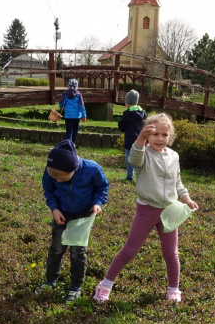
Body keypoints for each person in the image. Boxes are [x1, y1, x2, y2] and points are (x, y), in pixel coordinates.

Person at [94, 113, 199, 303]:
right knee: (130, 250)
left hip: (170, 211)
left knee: (171, 253)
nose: (160, 139)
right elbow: (133, 161)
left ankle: (173, 289)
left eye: (164, 135)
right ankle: (105, 285)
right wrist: (140, 139)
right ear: (148, 135)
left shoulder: (174, 156)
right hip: (147, 210)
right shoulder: (143, 153)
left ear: (170, 136)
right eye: (155, 134)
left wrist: (187, 199)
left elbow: (178, 183)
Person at [36, 139, 109, 303]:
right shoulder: (52, 172)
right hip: (61, 215)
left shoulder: (92, 169)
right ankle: (50, 281)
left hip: (83, 216)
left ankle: (75, 286)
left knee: (78, 252)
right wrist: (54, 209)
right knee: (56, 249)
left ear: (74, 169)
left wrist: (97, 203)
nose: (59, 181)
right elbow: (49, 190)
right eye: (56, 179)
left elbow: (102, 188)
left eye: (63, 178)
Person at [118, 90, 147, 182]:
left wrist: (121, 125)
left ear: (127, 102)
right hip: (141, 139)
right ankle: (140, 177)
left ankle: (129, 176)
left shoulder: (127, 114)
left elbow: (122, 126)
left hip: (130, 139)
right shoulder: (143, 113)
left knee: (129, 158)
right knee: (140, 158)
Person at [59, 79, 87, 144]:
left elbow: (61, 103)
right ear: (77, 86)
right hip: (77, 116)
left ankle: (69, 144)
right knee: (75, 130)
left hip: (68, 116)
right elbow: (81, 106)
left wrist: (61, 107)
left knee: (69, 131)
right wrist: (84, 116)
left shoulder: (65, 94)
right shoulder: (79, 95)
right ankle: (73, 143)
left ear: (68, 85)